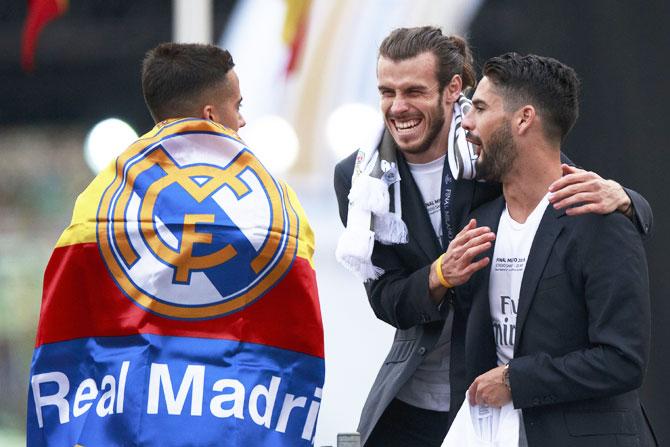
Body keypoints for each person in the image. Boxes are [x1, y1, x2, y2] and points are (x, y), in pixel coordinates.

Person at [333, 27, 653, 447]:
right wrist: (437, 275)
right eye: (386, 92)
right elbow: (386, 299)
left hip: (513, 401)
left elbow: (552, 177)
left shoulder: (492, 153)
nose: (398, 107)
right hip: (431, 396)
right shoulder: (358, 180)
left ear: (451, 90)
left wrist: (628, 202)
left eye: (413, 90)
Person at [27, 43, 324, 447]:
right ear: (211, 115)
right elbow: (294, 318)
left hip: (131, 419)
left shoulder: (102, 197)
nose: (242, 119)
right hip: (235, 416)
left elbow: (71, 320)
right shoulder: (270, 204)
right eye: (237, 105)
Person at [447, 52, 656, 446]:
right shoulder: (479, 222)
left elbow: (623, 360)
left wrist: (515, 380)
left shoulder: (601, 219)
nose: (466, 122)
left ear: (524, 119)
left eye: (479, 108)